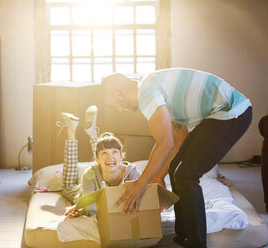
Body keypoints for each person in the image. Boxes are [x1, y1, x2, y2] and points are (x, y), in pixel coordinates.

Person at [101, 68, 252, 248]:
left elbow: (166, 143)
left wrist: (140, 184)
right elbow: (178, 139)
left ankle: (196, 244)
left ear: (118, 94)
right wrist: (158, 176)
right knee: (176, 170)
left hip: (231, 112)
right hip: (216, 115)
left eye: (116, 105)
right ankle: (183, 237)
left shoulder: (147, 93)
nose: (119, 109)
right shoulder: (151, 87)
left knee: (186, 174)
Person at [57, 105, 140, 218]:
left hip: (98, 193)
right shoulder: (89, 174)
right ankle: (71, 130)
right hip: (84, 192)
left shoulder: (132, 174)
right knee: (67, 188)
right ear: (96, 160)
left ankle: (92, 133)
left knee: (102, 151)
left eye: (115, 152)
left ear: (122, 156)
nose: (110, 157)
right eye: (104, 153)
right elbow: (90, 208)